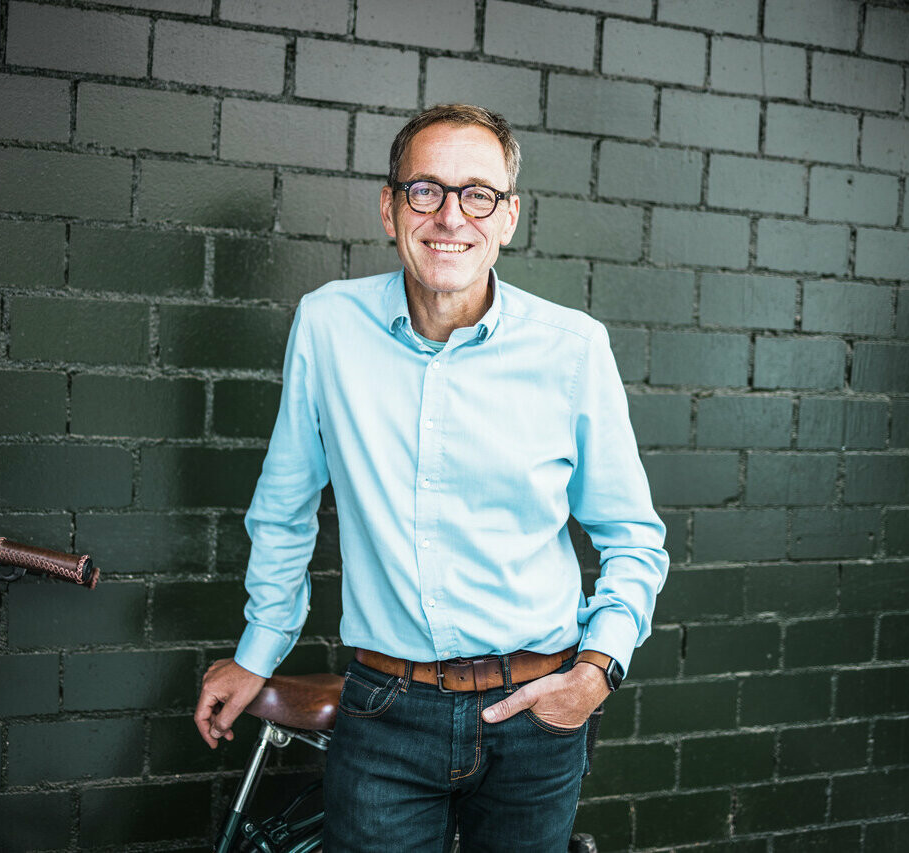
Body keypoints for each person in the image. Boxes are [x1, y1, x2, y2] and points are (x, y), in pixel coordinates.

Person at [194, 103, 668, 852]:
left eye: (476, 193)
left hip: (536, 710)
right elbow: (284, 509)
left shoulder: (572, 348)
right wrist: (258, 652)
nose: (450, 216)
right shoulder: (327, 327)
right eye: (426, 190)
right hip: (386, 714)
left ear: (507, 217)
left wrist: (596, 672)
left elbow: (633, 537)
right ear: (390, 207)